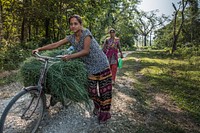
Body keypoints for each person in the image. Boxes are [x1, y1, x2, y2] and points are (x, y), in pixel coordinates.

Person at [32, 15, 112, 124]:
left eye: (76, 23)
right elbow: (56, 44)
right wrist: (40, 48)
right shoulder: (71, 38)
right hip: (90, 67)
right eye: (71, 24)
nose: (73, 26)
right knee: (92, 92)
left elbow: (85, 51)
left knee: (105, 92)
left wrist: (69, 57)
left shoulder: (86, 33)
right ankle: (97, 106)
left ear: (80, 24)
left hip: (102, 64)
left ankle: (104, 114)